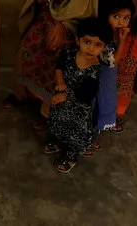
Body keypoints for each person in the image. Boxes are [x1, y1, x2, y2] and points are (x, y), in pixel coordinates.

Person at [43, 17, 111, 173]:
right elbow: (59, 67)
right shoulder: (69, 54)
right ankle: (58, 142)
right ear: (77, 40)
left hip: (78, 109)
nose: (91, 48)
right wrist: (59, 81)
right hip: (61, 101)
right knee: (57, 122)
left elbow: (87, 93)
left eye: (97, 45)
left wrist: (66, 95)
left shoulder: (95, 68)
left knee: (76, 133)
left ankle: (71, 156)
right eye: (87, 42)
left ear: (104, 47)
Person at [97, 0, 137, 132]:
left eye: (126, 18)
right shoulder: (103, 38)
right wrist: (123, 41)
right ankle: (89, 137)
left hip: (106, 81)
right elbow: (113, 62)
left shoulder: (112, 36)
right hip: (100, 82)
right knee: (97, 105)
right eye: (116, 17)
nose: (121, 22)